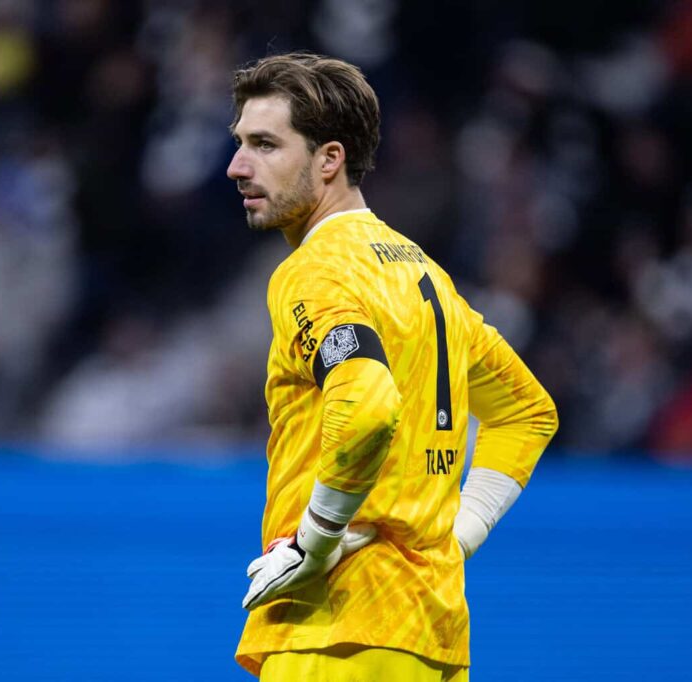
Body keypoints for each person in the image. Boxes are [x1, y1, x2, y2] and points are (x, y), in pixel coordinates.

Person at [226, 53, 558, 680]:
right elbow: (526, 412)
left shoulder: (316, 271)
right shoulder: (425, 274)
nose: (237, 166)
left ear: (329, 159)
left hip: (338, 629)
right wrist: (455, 536)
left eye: (265, 144)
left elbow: (367, 405)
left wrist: (314, 542)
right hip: (429, 629)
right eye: (241, 143)